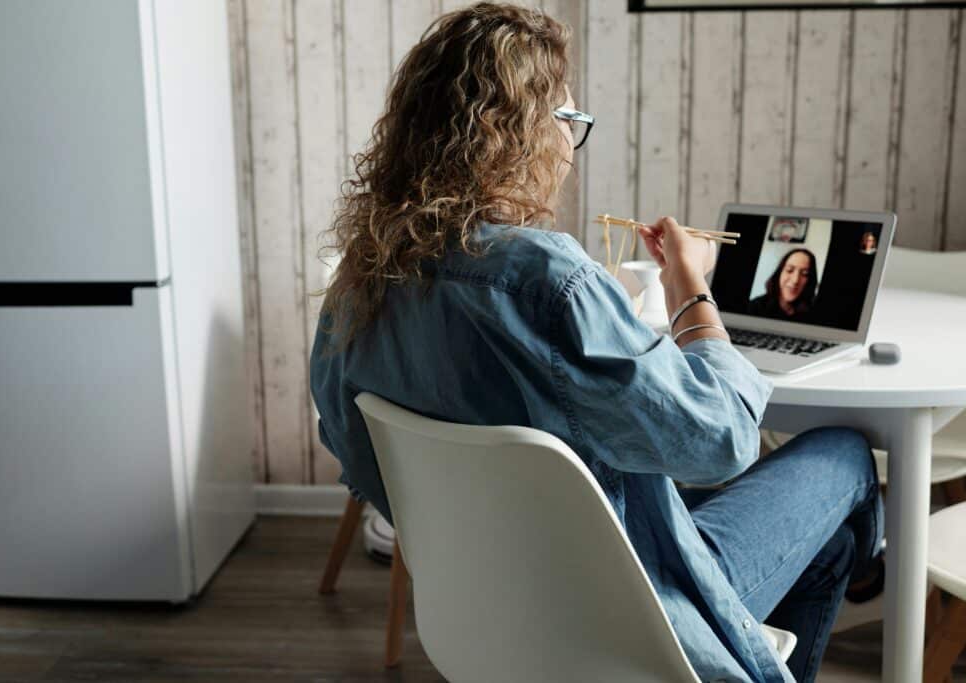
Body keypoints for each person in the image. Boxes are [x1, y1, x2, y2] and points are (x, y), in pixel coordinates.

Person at [309, 4, 882, 681]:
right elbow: (721, 439)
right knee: (844, 454)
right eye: (569, 123)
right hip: (629, 615)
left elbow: (357, 449)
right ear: (516, 133)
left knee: (830, 548)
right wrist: (689, 287)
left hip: (487, 615)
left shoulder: (363, 278)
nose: (567, 150)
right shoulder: (550, 281)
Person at [748, 249, 819, 324]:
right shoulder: (755, 307)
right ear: (779, 273)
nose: (795, 280)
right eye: (789, 270)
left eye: (804, 274)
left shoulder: (812, 313)